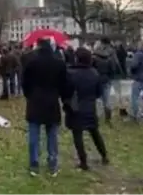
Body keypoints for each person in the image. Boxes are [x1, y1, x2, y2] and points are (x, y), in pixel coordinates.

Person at [22, 39, 69, 177]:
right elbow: (64, 84)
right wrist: (61, 96)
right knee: (52, 135)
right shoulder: (59, 64)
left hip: (35, 100)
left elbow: (25, 82)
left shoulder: (32, 63)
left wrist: (29, 95)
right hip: (52, 101)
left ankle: (34, 163)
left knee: (34, 135)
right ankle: (53, 163)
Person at [63, 47, 109, 171]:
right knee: (95, 132)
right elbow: (98, 92)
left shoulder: (70, 73)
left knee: (77, 135)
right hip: (90, 107)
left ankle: (83, 161)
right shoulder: (94, 73)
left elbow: (65, 91)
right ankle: (104, 155)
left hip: (75, 107)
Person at [92, 39, 120, 123]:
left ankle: (94, 117)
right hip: (106, 79)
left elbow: (91, 69)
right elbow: (113, 69)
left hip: (96, 80)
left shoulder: (94, 58)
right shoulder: (108, 58)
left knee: (94, 99)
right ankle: (108, 119)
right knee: (106, 100)